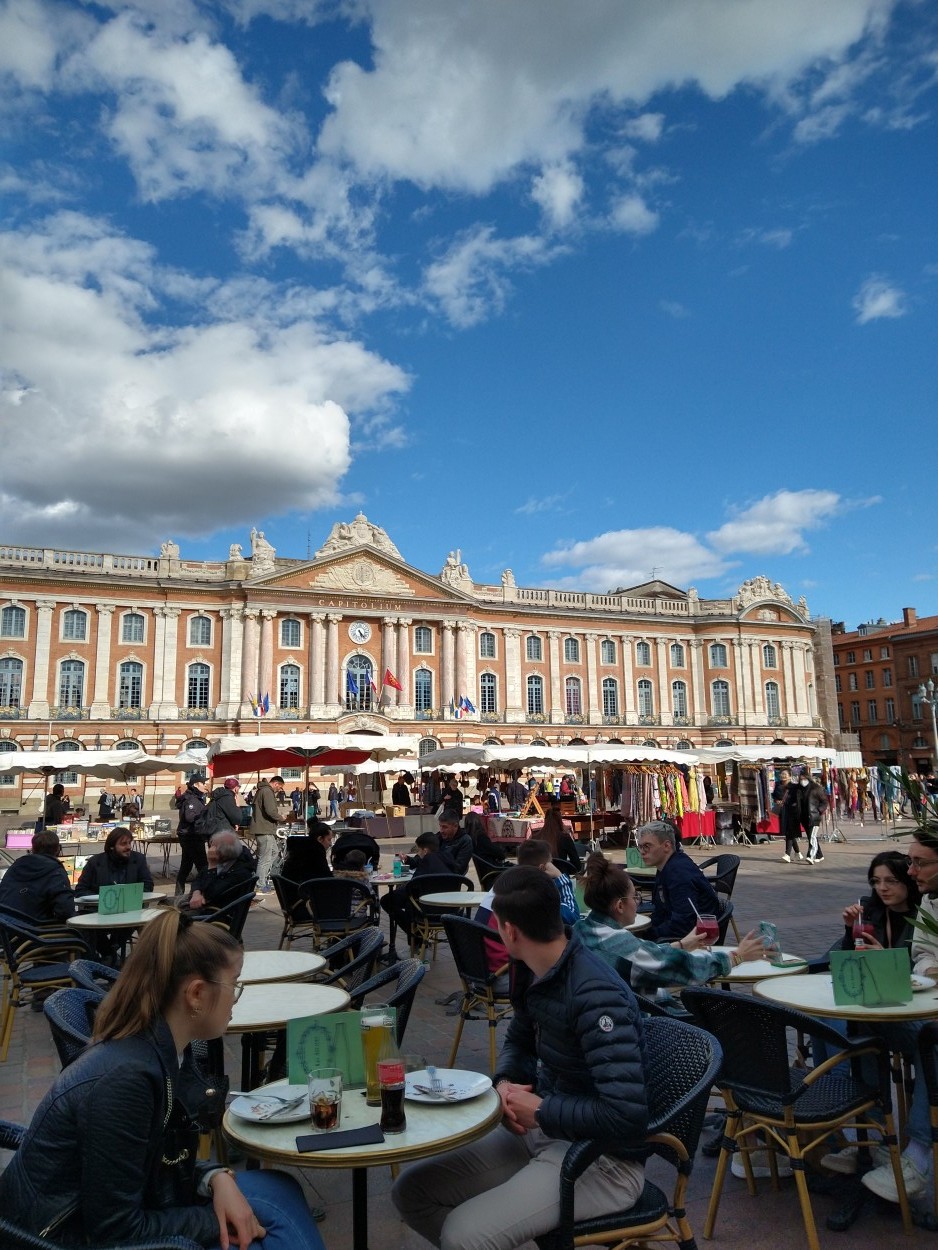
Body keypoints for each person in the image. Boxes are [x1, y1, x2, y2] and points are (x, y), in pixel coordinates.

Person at [0, 908, 326, 1249]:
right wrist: (214, 1220)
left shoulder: (162, 1048)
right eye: (235, 984)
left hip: (127, 1204)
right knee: (270, 1222)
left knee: (281, 1188)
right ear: (196, 994)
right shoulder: (126, 1081)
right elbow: (115, 1231)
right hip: (62, 1237)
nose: (236, 996)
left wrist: (214, 1177)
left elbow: (154, 1155)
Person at [392, 865, 648, 1250]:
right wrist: (505, 1081)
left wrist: (542, 1111)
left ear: (509, 930)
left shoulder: (596, 994)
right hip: (543, 1132)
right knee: (410, 1192)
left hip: (605, 1161)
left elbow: (627, 1115)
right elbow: (520, 1040)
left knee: (464, 1235)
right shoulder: (531, 968)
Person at [575, 853, 764, 996]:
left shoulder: (582, 928)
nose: (638, 902)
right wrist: (736, 956)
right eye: (635, 897)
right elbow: (683, 968)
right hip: (638, 1024)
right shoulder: (618, 943)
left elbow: (646, 955)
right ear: (620, 905)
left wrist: (682, 945)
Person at [638, 820, 721, 943]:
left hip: (695, 942)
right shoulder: (667, 867)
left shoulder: (678, 873)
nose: (642, 851)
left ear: (667, 846)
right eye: (640, 846)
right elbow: (660, 913)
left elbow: (682, 924)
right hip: (680, 936)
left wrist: (645, 935)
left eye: (647, 846)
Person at [0, 828, 75, 922]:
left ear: (33, 849)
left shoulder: (15, 866)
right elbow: (66, 911)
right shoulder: (56, 872)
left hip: (6, 926)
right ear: (58, 850)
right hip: (35, 930)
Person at [185, 831, 257, 913]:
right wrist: (196, 893)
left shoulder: (239, 872)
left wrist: (212, 866)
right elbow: (198, 879)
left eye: (212, 847)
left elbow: (210, 894)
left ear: (222, 853)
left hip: (215, 915)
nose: (210, 850)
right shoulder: (223, 863)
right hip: (204, 906)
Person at [75, 827, 154, 894]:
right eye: (123, 844)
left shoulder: (138, 859)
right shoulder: (95, 862)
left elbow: (148, 886)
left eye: (129, 843)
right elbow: (80, 890)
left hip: (131, 907)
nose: (128, 847)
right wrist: (102, 899)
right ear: (112, 846)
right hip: (100, 908)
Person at [250, 775, 288, 894]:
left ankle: (261, 877)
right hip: (264, 829)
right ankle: (260, 884)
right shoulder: (267, 791)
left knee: (274, 852)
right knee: (264, 858)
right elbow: (270, 811)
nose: (279, 790)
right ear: (276, 783)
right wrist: (281, 817)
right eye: (280, 787)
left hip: (266, 829)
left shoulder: (263, 790)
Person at [174, 775, 210, 896]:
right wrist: (204, 817)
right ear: (195, 785)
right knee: (203, 867)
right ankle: (203, 893)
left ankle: (179, 895)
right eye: (203, 783)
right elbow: (189, 817)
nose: (205, 785)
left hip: (191, 835)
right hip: (191, 836)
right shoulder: (191, 799)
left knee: (186, 865)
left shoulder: (196, 798)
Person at [280, 819, 333, 885]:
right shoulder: (316, 851)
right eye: (329, 840)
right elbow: (325, 877)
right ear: (320, 839)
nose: (330, 844)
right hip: (303, 892)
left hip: (289, 891)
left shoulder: (297, 849)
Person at [797, 769, 830, 864]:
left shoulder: (816, 788)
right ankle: (819, 855)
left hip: (814, 817)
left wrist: (819, 810)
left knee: (812, 837)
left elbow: (825, 801)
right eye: (801, 779)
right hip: (804, 817)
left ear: (808, 778)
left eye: (804, 778)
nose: (802, 781)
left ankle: (810, 856)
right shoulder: (799, 790)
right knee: (811, 837)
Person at [539, 805, 582, 873]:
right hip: (560, 876)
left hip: (540, 878)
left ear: (545, 820)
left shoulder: (536, 837)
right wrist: (565, 865)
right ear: (560, 821)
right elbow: (577, 865)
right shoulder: (565, 838)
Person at [774, 768, 803, 863]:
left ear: (790, 776)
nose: (783, 776)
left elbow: (797, 799)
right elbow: (774, 795)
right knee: (788, 833)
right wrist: (777, 801)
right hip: (783, 811)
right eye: (782, 774)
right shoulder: (778, 785)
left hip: (792, 812)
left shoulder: (793, 787)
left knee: (789, 832)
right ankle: (798, 852)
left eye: (785, 774)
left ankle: (787, 854)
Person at [437, 810, 473, 876]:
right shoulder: (439, 837)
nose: (441, 830)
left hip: (450, 880)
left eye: (445, 827)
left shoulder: (465, 841)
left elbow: (458, 869)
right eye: (440, 826)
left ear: (455, 826)